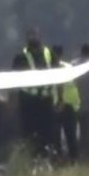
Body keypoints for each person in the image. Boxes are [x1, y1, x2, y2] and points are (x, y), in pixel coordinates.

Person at [19, 28, 57, 157]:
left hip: (46, 100)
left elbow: (59, 75)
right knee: (30, 133)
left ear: (40, 37)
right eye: (30, 36)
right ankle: (32, 158)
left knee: (48, 132)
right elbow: (15, 79)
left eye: (35, 35)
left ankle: (47, 157)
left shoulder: (49, 53)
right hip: (28, 101)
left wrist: (60, 98)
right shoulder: (21, 56)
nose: (33, 38)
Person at [51, 45, 80, 162]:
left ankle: (72, 158)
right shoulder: (66, 67)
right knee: (57, 136)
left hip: (66, 105)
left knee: (69, 135)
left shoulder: (66, 68)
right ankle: (61, 158)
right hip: (57, 105)